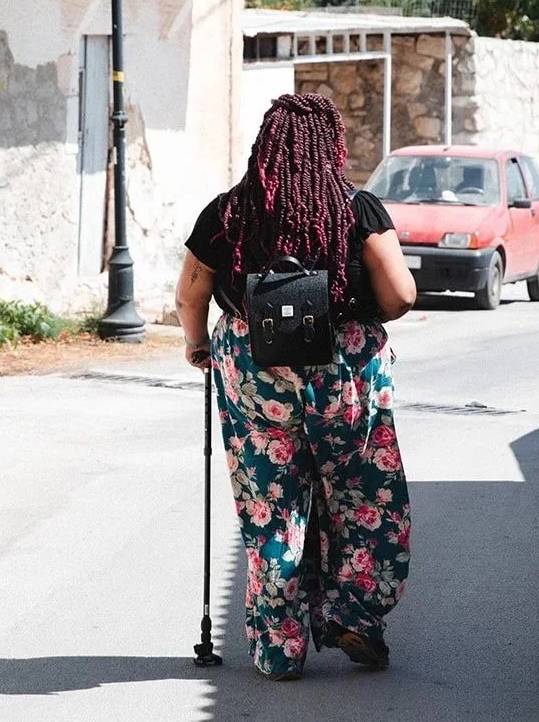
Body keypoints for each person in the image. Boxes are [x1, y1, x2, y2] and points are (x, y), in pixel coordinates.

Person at [175, 93, 417, 681]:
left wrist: (198, 345)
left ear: (265, 146)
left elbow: (190, 295)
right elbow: (401, 296)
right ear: (332, 146)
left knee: (272, 503)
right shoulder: (356, 209)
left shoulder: (227, 214)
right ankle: (356, 615)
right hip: (343, 371)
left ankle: (280, 648)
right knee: (361, 495)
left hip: (255, 370)